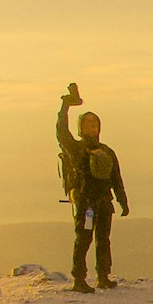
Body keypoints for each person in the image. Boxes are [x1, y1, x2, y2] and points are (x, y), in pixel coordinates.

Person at [56, 85, 127, 290]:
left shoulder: (107, 151)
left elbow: (116, 178)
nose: (91, 126)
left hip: (104, 204)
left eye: (94, 123)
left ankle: (103, 277)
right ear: (80, 128)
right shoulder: (75, 149)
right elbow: (61, 132)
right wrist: (65, 106)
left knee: (103, 240)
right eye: (87, 123)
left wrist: (123, 201)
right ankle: (79, 280)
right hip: (86, 204)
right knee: (84, 240)